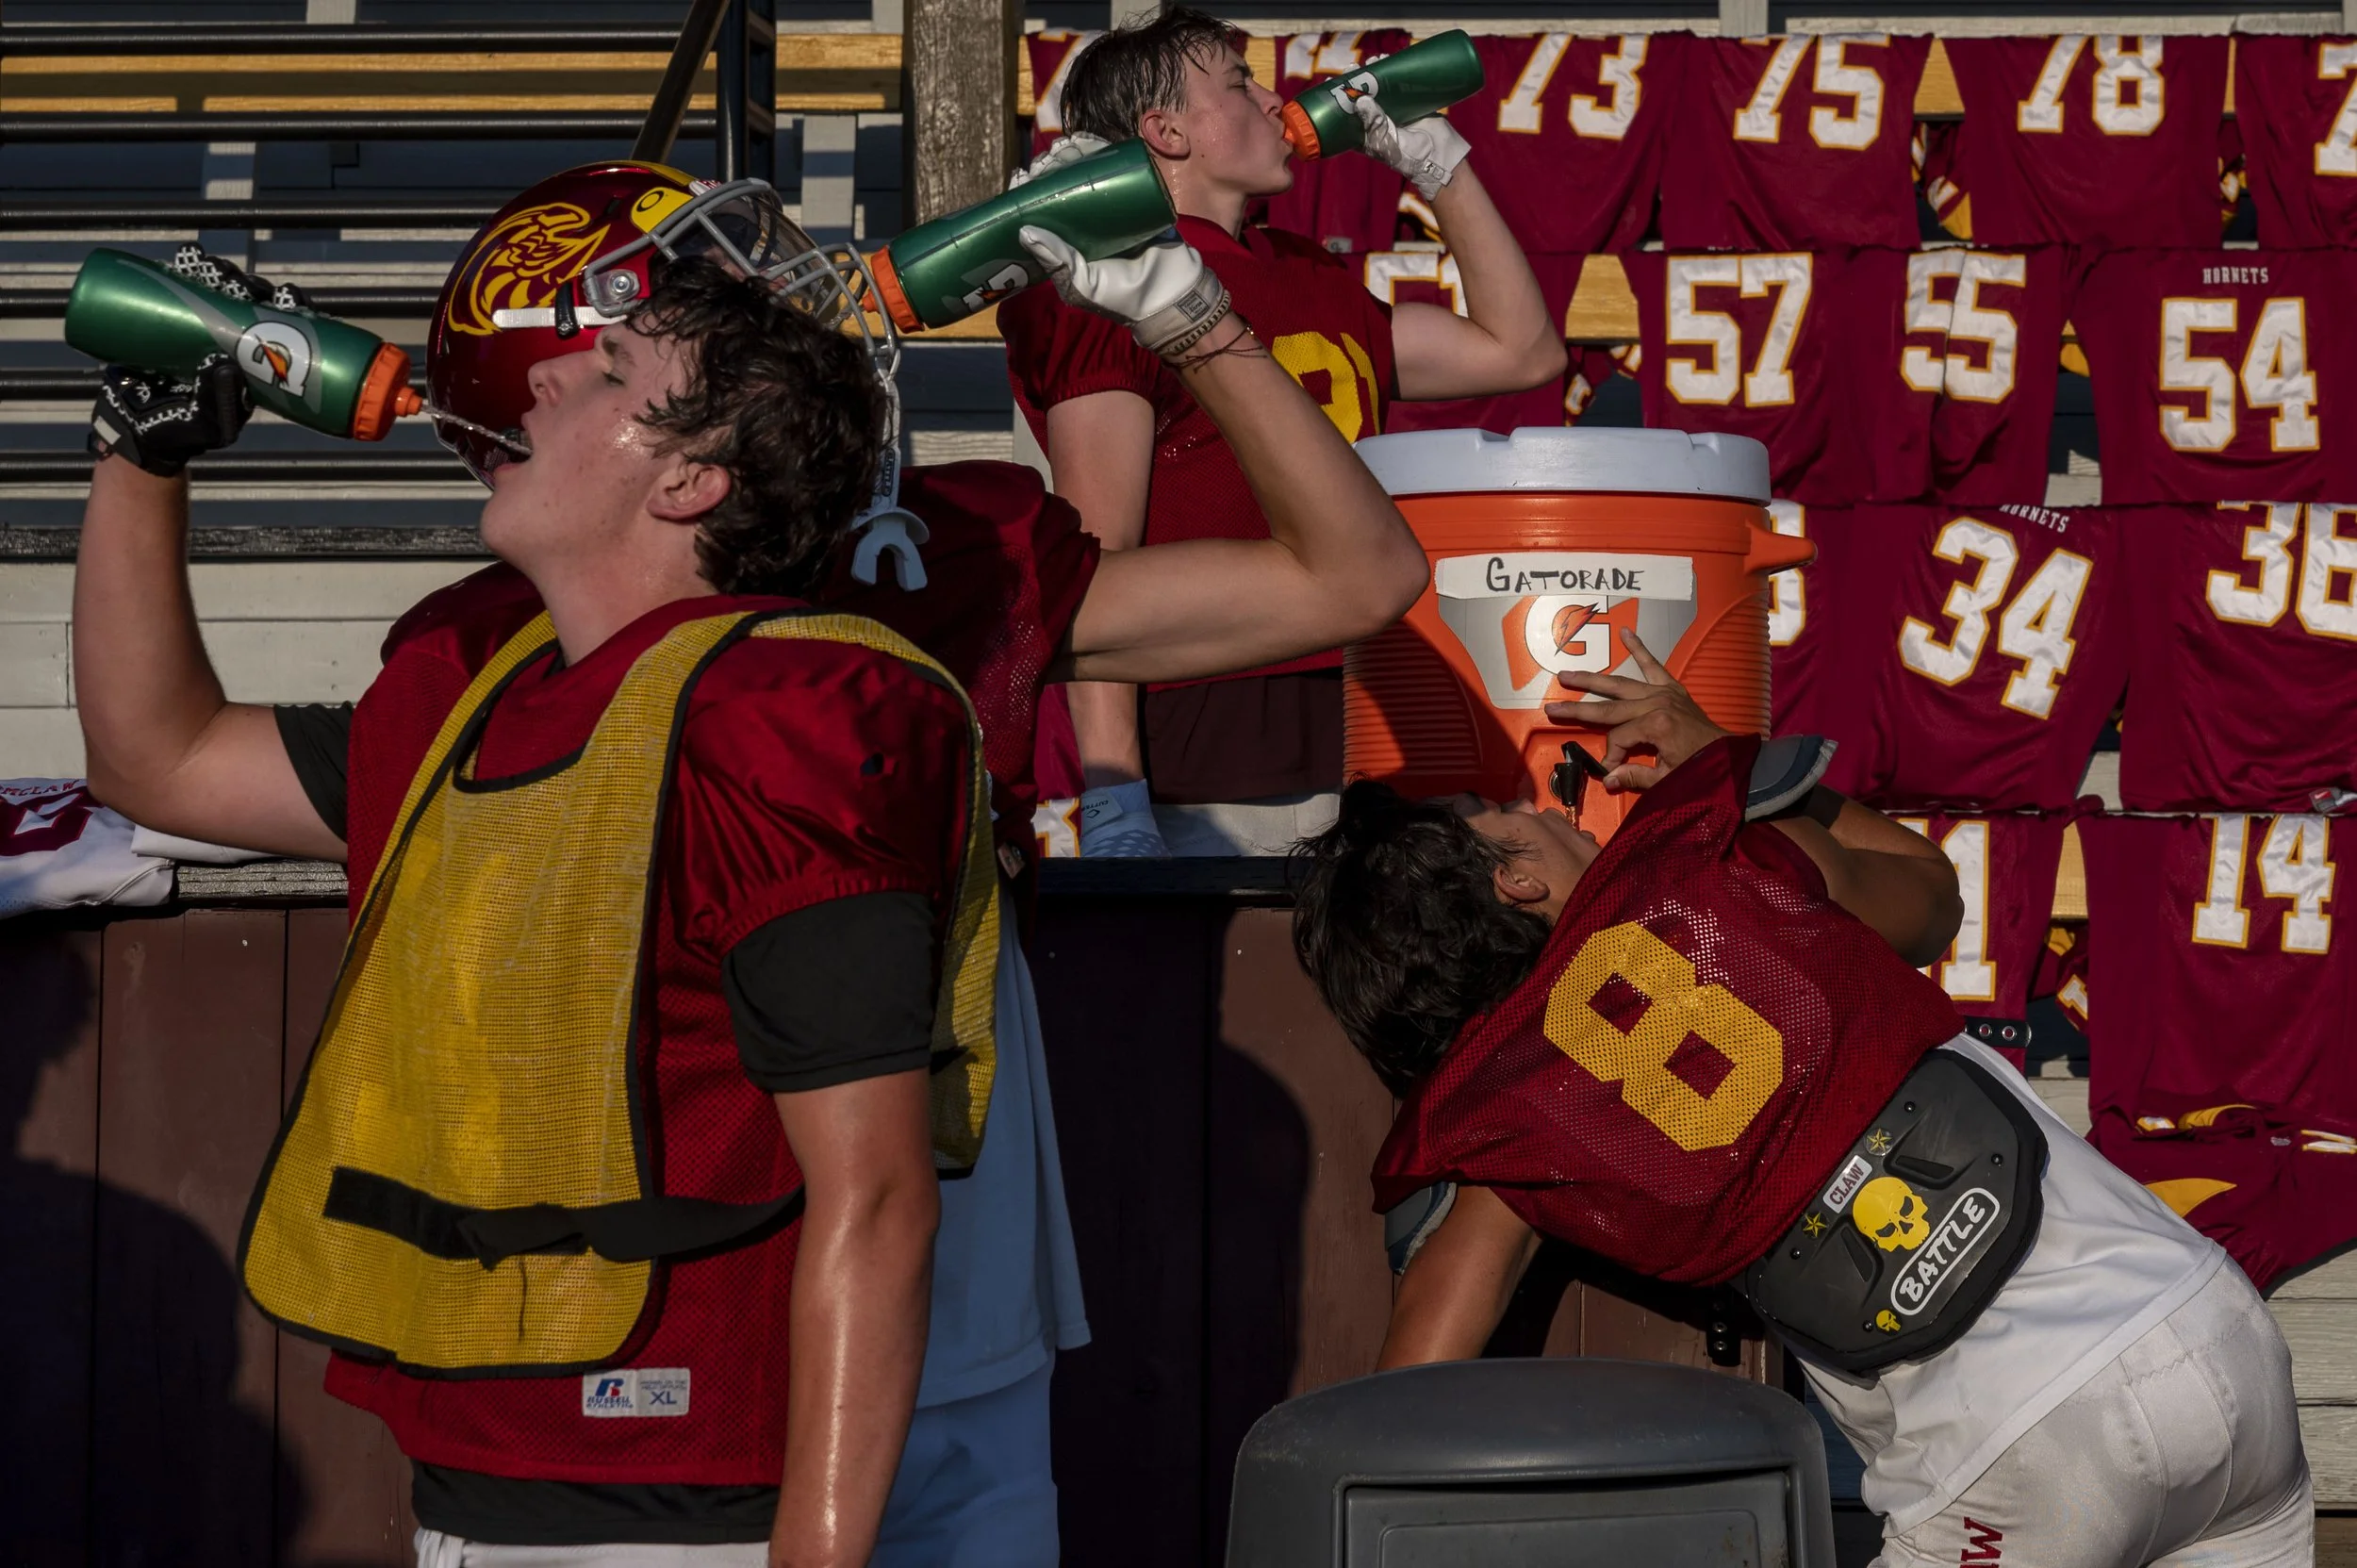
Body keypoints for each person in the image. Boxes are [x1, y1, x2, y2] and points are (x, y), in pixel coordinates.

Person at [72, 167, 1424, 1567]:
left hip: (923, 1316)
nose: (786, 297)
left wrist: (1200, 324)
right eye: (635, 324)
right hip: (655, 1370)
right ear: (553, 405)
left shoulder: (903, 572)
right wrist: (141, 451)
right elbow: (162, 758)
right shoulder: (501, 655)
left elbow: (1356, 577)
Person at [1290, 642, 2313, 1568]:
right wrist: (1733, 764)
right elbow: (1930, 889)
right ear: (1514, 881)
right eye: (1505, 811)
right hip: (2200, 1316)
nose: (1550, 804)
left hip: (2020, 1445)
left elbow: (1408, 1392)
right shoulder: (1732, 873)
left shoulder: (1515, 1133)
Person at [1002, 8, 1566, 857]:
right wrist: (1118, 791)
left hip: (1369, 718)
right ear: (1165, 129)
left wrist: (1442, 171)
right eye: (1238, 84)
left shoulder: (1308, 271)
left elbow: (1522, 349)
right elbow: (1098, 559)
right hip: (1214, 737)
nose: (1275, 102)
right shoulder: (1112, 287)